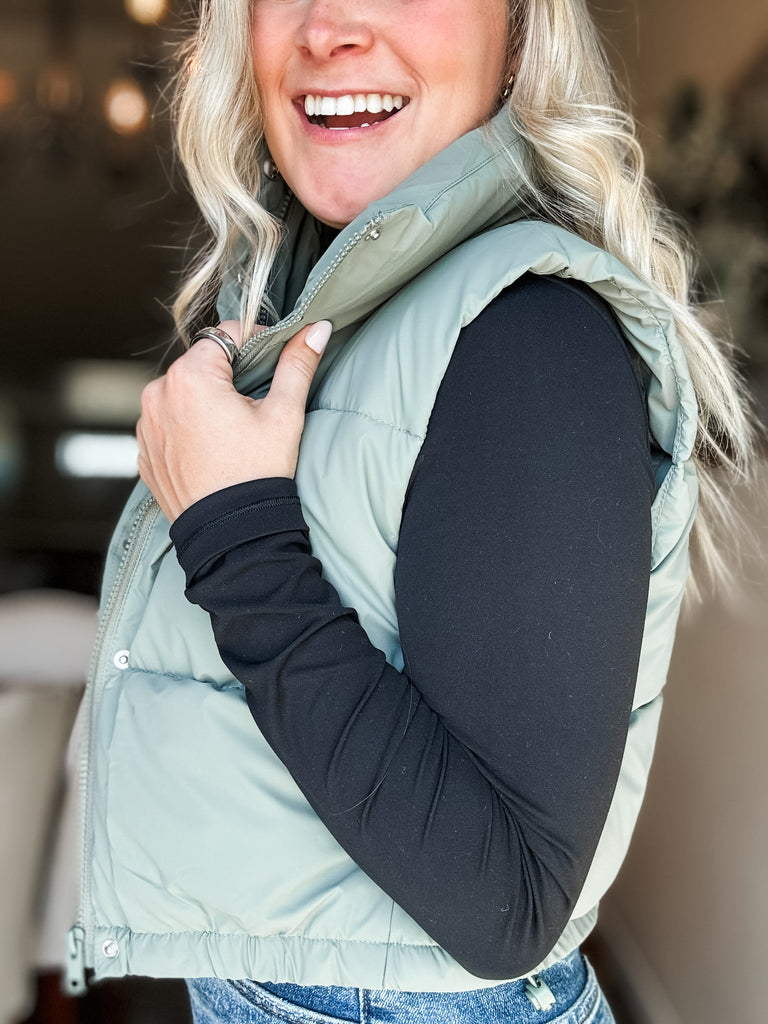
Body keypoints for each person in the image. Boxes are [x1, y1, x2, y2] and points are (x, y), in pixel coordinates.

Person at [66, 0, 754, 1021]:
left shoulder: (534, 336)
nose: (329, 27)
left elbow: (509, 902)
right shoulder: (358, 313)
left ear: (519, 31)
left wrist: (233, 527)